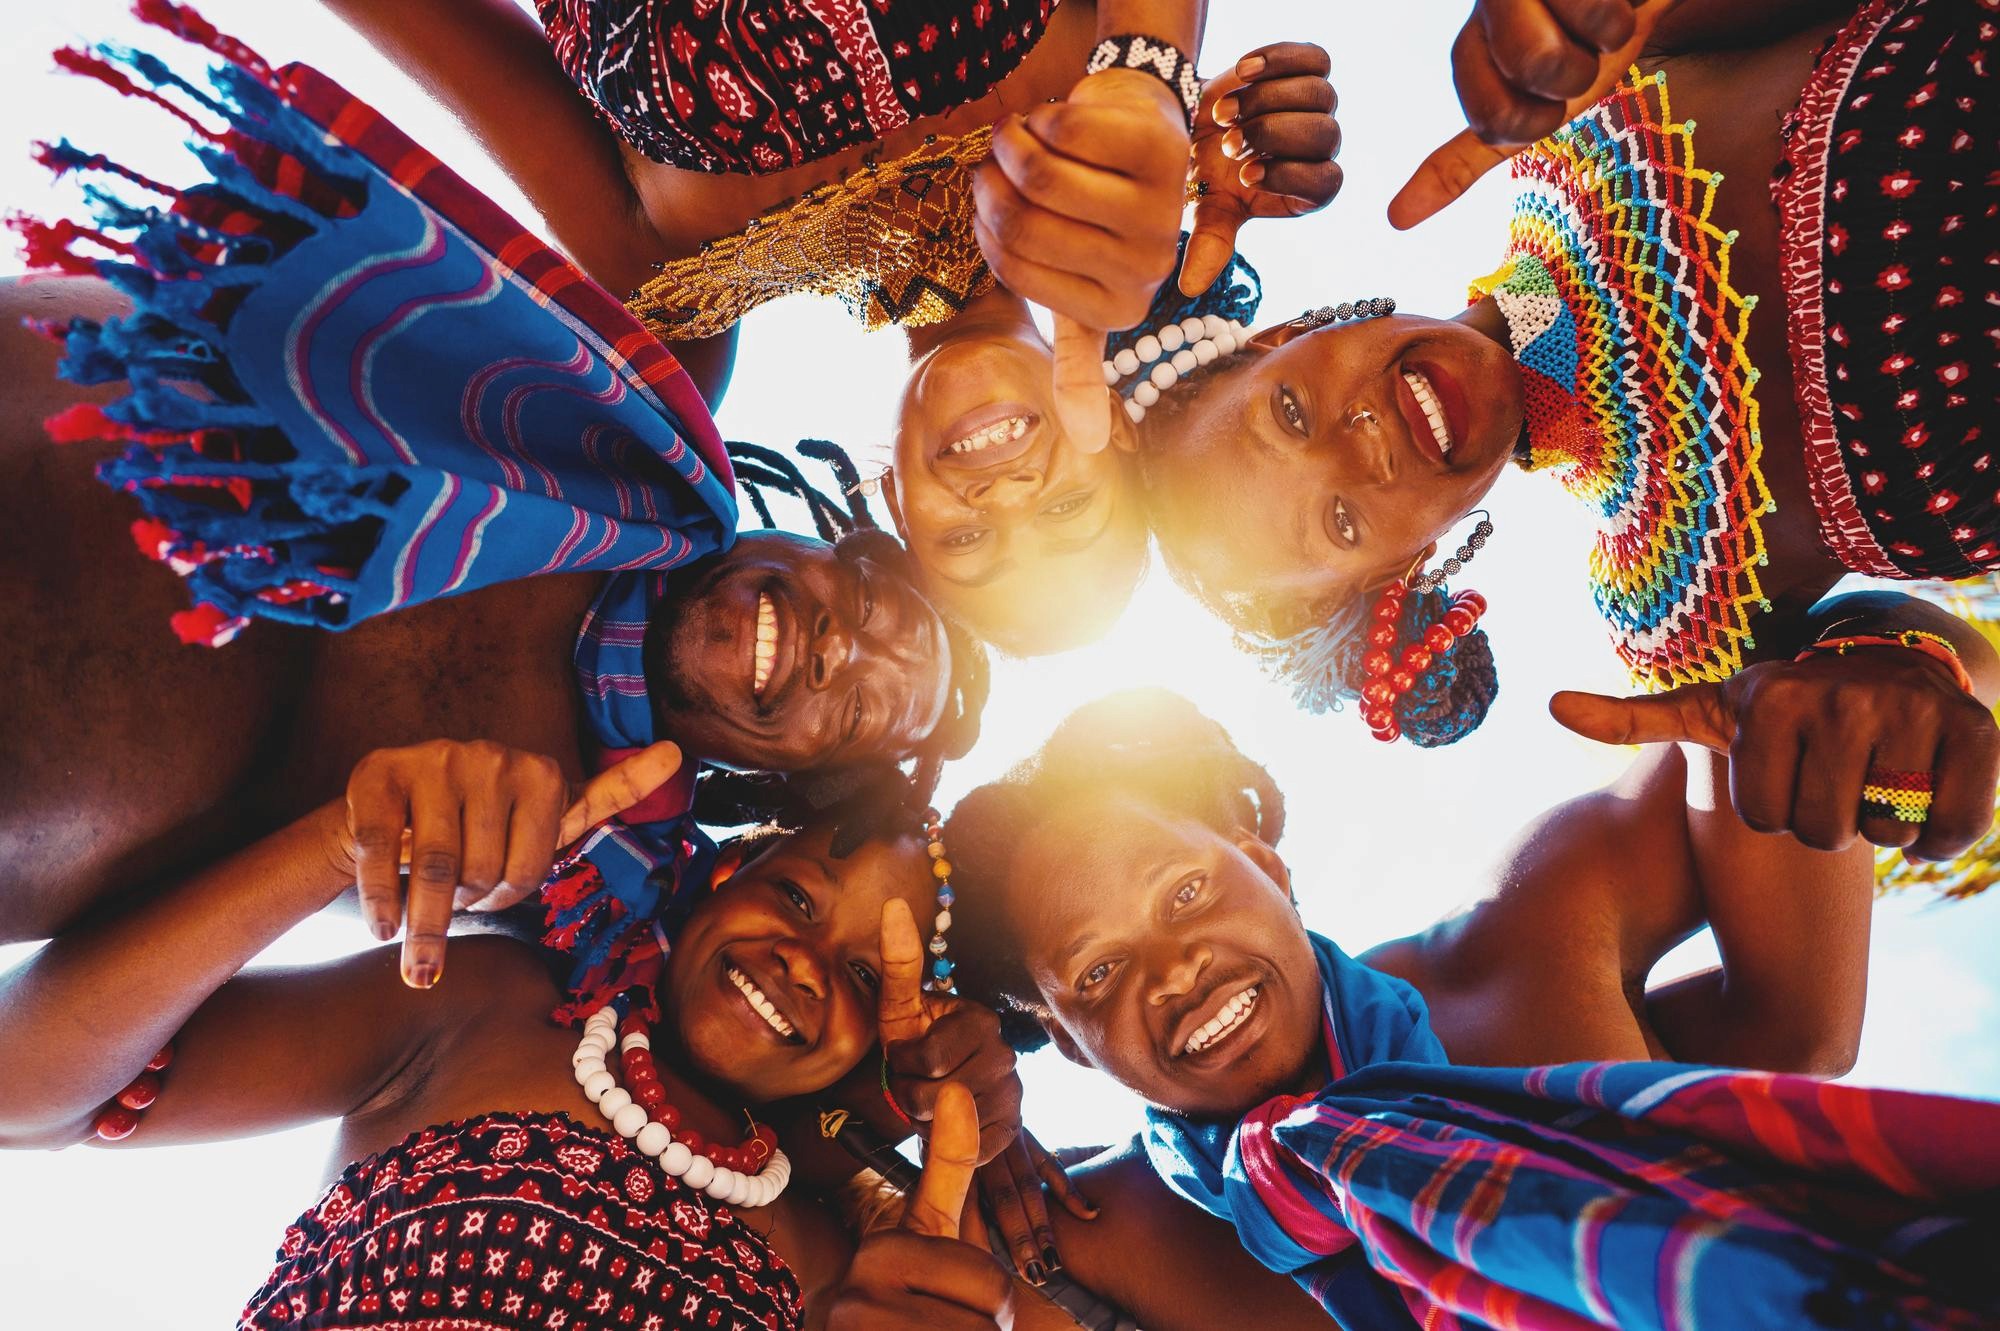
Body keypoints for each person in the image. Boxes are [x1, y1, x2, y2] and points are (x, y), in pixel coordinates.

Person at [1, 12, 985, 988]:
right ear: (807, 535)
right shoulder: (637, 385)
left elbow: (39, 1087)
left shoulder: (584, 883)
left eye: (860, 705)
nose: (839, 645)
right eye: (866, 601)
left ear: (788, 778)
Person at [1123, 0, 2000, 867]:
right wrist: (1909, 673)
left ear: (1287, 335)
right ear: (1401, 569)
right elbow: (1946, 680)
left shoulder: (1584, 106)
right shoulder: (1681, 603)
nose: (1364, 447)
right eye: (1341, 522)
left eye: (1290, 413)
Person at [307, 0, 1347, 651]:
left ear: (891, 498)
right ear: (1114, 429)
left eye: (970, 539)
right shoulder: (1114, 108)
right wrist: (1148, 78)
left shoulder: (671, 285)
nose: (1006, 495)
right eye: (1069, 512)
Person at [943, 690, 2000, 1329]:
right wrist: (918, 1097)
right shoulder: (1084, 1233)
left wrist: (1903, 674)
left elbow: (1766, 710)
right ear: (1068, 1049)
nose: (1173, 968)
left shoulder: (1532, 934)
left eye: (1184, 892)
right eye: (1097, 973)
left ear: (1266, 864)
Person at [0, 737, 1051, 1330]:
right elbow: (23, 1086)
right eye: (797, 895)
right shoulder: (484, 1004)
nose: (801, 959)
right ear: (708, 885)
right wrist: (339, 843)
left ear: (886, 1041)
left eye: (869, 973)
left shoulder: (831, 1266)